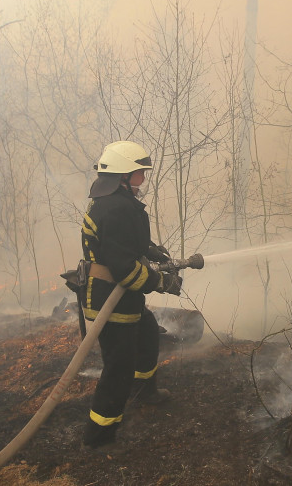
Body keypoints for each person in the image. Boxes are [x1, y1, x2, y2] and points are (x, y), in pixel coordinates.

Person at [79, 140, 183, 449]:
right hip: (109, 298)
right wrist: (161, 282)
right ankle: (99, 435)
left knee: (148, 334)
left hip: (119, 294)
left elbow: (120, 242)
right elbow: (125, 268)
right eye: (140, 172)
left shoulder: (113, 201)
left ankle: (144, 392)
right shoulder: (117, 208)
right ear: (123, 175)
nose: (143, 178)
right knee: (118, 368)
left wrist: (150, 250)